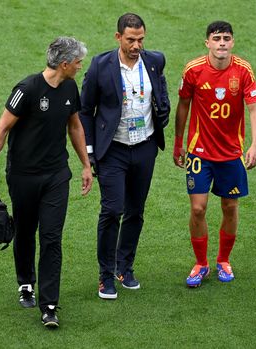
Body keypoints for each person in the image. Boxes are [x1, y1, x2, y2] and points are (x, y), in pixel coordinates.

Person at [0, 37, 93, 328]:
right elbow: (2, 128)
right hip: (23, 176)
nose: (81, 65)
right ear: (64, 63)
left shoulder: (70, 87)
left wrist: (85, 165)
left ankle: (49, 306)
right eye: (78, 61)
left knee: (52, 238)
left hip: (56, 175)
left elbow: (75, 125)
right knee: (26, 231)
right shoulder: (27, 89)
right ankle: (25, 283)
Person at [79, 13, 170, 300]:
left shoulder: (155, 60)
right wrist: (90, 152)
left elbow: (161, 92)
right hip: (113, 150)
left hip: (144, 147)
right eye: (131, 39)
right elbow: (84, 110)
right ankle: (105, 275)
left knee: (135, 211)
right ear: (118, 37)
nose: (136, 45)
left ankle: (124, 267)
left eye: (141, 39)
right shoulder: (99, 66)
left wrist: (163, 109)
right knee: (112, 210)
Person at [173, 21, 256, 288]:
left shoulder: (243, 70)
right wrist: (179, 142)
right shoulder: (193, 70)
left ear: (232, 42)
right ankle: (201, 263)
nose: (221, 43)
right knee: (198, 208)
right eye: (216, 38)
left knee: (230, 207)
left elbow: (255, 108)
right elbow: (183, 105)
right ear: (207, 43)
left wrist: (255, 144)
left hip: (231, 154)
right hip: (200, 153)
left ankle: (223, 259)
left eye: (226, 38)